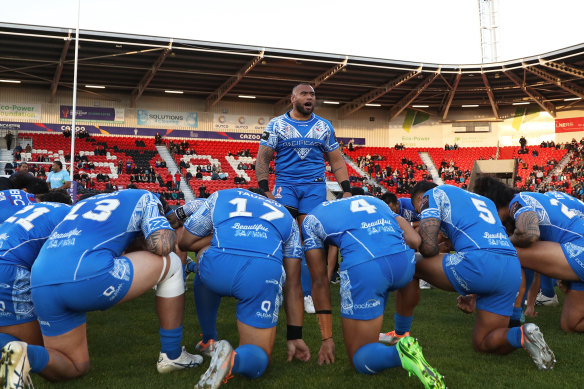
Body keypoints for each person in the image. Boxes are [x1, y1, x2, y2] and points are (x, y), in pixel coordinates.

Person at [1, 190, 202, 386]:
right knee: (173, 262)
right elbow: (162, 246)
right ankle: (172, 355)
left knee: (74, 365)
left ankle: (24, 354)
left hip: (40, 277)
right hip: (83, 272)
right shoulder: (146, 197)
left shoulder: (78, 207)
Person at [381, 181, 555, 370]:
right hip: (511, 267)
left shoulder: (431, 195)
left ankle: (400, 333)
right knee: (483, 342)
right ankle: (522, 334)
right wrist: (473, 293)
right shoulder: (485, 201)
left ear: (420, 197)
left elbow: (429, 248)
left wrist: (425, 241)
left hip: (479, 264)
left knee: (410, 262)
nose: (420, 213)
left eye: (419, 209)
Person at [302, 195, 445, 388]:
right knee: (386, 287)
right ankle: (402, 333)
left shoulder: (311, 219)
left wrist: (327, 338)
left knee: (360, 357)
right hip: (404, 263)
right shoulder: (374, 200)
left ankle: (399, 351)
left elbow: (319, 281)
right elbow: (413, 239)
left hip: (367, 268)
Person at [179, 188, 310, 388]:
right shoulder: (286, 216)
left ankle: (209, 339)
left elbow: (186, 241)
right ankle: (232, 359)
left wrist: (219, 236)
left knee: (205, 254)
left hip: (217, 267)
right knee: (258, 360)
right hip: (262, 273)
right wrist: (294, 336)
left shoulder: (222, 195)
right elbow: (293, 283)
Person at [255, 83, 352, 313]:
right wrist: (264, 189)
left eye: (312, 94)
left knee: (310, 240)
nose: (310, 97)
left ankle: (308, 294)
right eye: (304, 94)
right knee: (282, 239)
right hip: (285, 188)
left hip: (314, 189)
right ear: (292, 98)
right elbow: (263, 158)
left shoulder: (323, 126)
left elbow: (337, 161)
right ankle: (276, 288)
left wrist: (346, 188)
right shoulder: (276, 125)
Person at [473, 177, 584, 334]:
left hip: (579, 250)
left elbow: (528, 234)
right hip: (576, 250)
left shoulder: (517, 202)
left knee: (507, 249)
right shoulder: (524, 200)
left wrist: (501, 242)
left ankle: (514, 319)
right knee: (571, 324)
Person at [0, 190, 72, 385]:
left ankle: (12, 366)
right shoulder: (71, 215)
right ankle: (15, 368)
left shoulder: (31, 210)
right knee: (53, 356)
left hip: (6, 261)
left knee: (11, 335)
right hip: (9, 268)